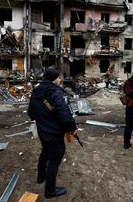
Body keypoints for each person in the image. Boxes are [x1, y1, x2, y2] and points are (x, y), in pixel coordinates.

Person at [28, 68, 78, 199]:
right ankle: (50, 190)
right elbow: (65, 115)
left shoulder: (36, 91)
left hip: (42, 130)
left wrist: (44, 118)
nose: (61, 80)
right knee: (54, 159)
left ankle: (41, 177)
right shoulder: (55, 92)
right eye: (59, 77)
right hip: (54, 132)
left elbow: (31, 113)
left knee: (45, 152)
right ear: (53, 79)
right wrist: (73, 127)